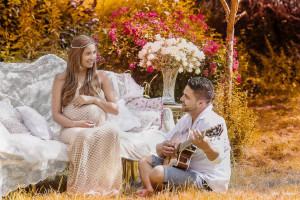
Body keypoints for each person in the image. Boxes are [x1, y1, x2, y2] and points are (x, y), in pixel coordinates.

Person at [136, 77, 231, 196]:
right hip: (182, 168)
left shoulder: (214, 122)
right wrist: (162, 147)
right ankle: (150, 191)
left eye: (186, 97)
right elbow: (162, 147)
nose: (181, 99)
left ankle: (159, 187)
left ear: (200, 103)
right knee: (144, 160)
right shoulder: (186, 119)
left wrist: (206, 146)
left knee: (157, 173)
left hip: (206, 180)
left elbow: (218, 158)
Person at [52, 35, 122, 195]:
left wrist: (94, 99)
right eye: (88, 54)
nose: (93, 58)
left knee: (112, 131)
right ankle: (82, 187)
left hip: (98, 126)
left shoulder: (101, 77)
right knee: (84, 135)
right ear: (76, 55)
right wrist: (77, 124)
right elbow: (56, 115)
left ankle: (104, 185)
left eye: (94, 53)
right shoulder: (61, 79)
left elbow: (115, 109)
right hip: (71, 129)